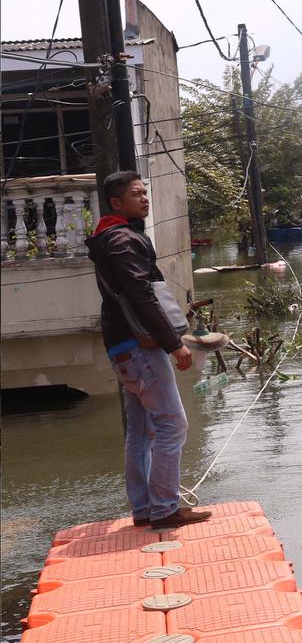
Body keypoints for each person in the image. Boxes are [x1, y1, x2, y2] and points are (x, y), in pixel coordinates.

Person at [86, 171, 211, 529]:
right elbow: (141, 295)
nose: (145, 199)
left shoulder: (107, 238)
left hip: (121, 347)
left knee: (140, 432)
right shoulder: (124, 240)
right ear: (116, 203)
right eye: (137, 194)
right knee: (172, 425)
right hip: (141, 346)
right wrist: (175, 345)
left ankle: (144, 509)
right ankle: (165, 510)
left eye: (145, 193)